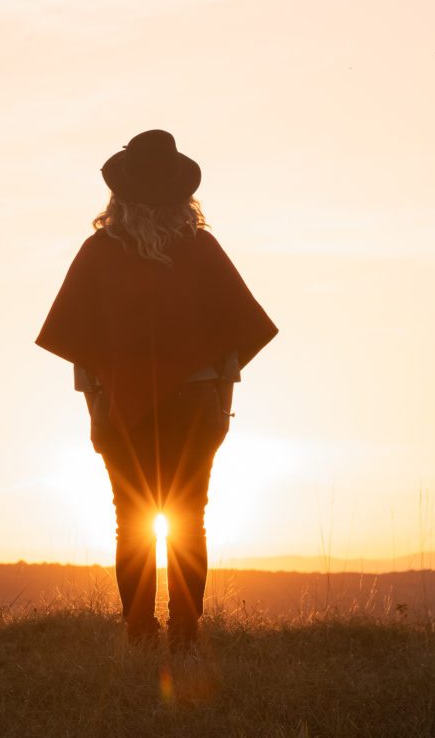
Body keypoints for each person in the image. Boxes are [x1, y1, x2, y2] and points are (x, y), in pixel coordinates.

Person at [36, 130, 277, 649]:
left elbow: (81, 344)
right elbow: (233, 339)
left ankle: (141, 633)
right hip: (199, 404)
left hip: (122, 407)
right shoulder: (200, 249)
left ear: (119, 194)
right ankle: (185, 636)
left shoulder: (101, 251)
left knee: (132, 520)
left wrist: (96, 408)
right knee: (190, 519)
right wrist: (222, 405)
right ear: (180, 193)